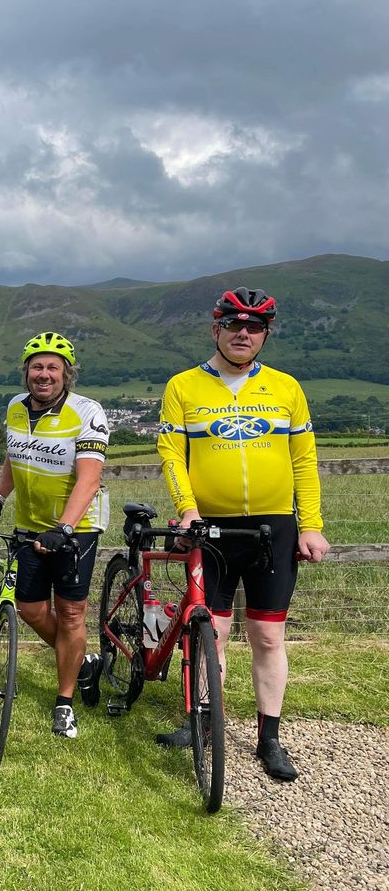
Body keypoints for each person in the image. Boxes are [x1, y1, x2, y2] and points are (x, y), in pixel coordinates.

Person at [157, 287, 329, 780]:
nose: (243, 334)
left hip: (273, 527)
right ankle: (203, 723)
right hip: (211, 527)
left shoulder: (286, 388)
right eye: (234, 325)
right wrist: (187, 510)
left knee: (268, 636)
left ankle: (269, 739)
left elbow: (304, 461)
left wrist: (310, 524)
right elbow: (172, 455)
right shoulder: (184, 386)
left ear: (264, 336)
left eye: (254, 328)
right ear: (216, 330)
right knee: (212, 630)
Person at [0, 332, 109, 740]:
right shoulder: (15, 408)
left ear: (66, 373)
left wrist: (64, 529)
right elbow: (13, 458)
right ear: (26, 372)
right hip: (29, 526)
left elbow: (89, 480)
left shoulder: (87, 412)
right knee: (30, 608)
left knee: (71, 614)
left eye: (53, 367)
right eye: (37, 366)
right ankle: (80, 662)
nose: (44, 374)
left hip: (76, 531)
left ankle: (65, 701)